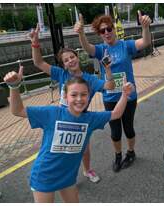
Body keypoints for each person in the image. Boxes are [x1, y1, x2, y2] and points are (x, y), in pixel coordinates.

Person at [3, 66, 133, 202]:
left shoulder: (90, 119)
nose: (79, 99)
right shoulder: (51, 113)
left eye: (84, 94)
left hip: (68, 176)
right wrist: (14, 87)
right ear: (65, 96)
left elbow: (116, 114)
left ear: (89, 96)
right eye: (74, 94)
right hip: (44, 175)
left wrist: (124, 95)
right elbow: (17, 110)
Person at [29, 24, 116, 183]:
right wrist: (35, 42)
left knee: (84, 149)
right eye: (66, 60)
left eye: (72, 57)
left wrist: (108, 70)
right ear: (63, 65)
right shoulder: (61, 74)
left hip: (81, 119)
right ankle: (66, 176)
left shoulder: (89, 79)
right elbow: (39, 63)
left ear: (77, 57)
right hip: (60, 119)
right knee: (60, 150)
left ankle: (87, 170)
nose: (70, 61)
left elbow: (110, 86)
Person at [74, 11, 151, 172]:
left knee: (128, 127)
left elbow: (145, 42)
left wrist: (145, 27)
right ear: (100, 34)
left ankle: (131, 152)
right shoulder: (101, 50)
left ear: (114, 29)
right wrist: (81, 33)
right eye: (102, 31)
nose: (107, 32)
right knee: (115, 131)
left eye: (109, 29)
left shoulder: (125, 45)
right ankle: (118, 155)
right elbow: (87, 47)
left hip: (128, 95)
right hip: (110, 97)